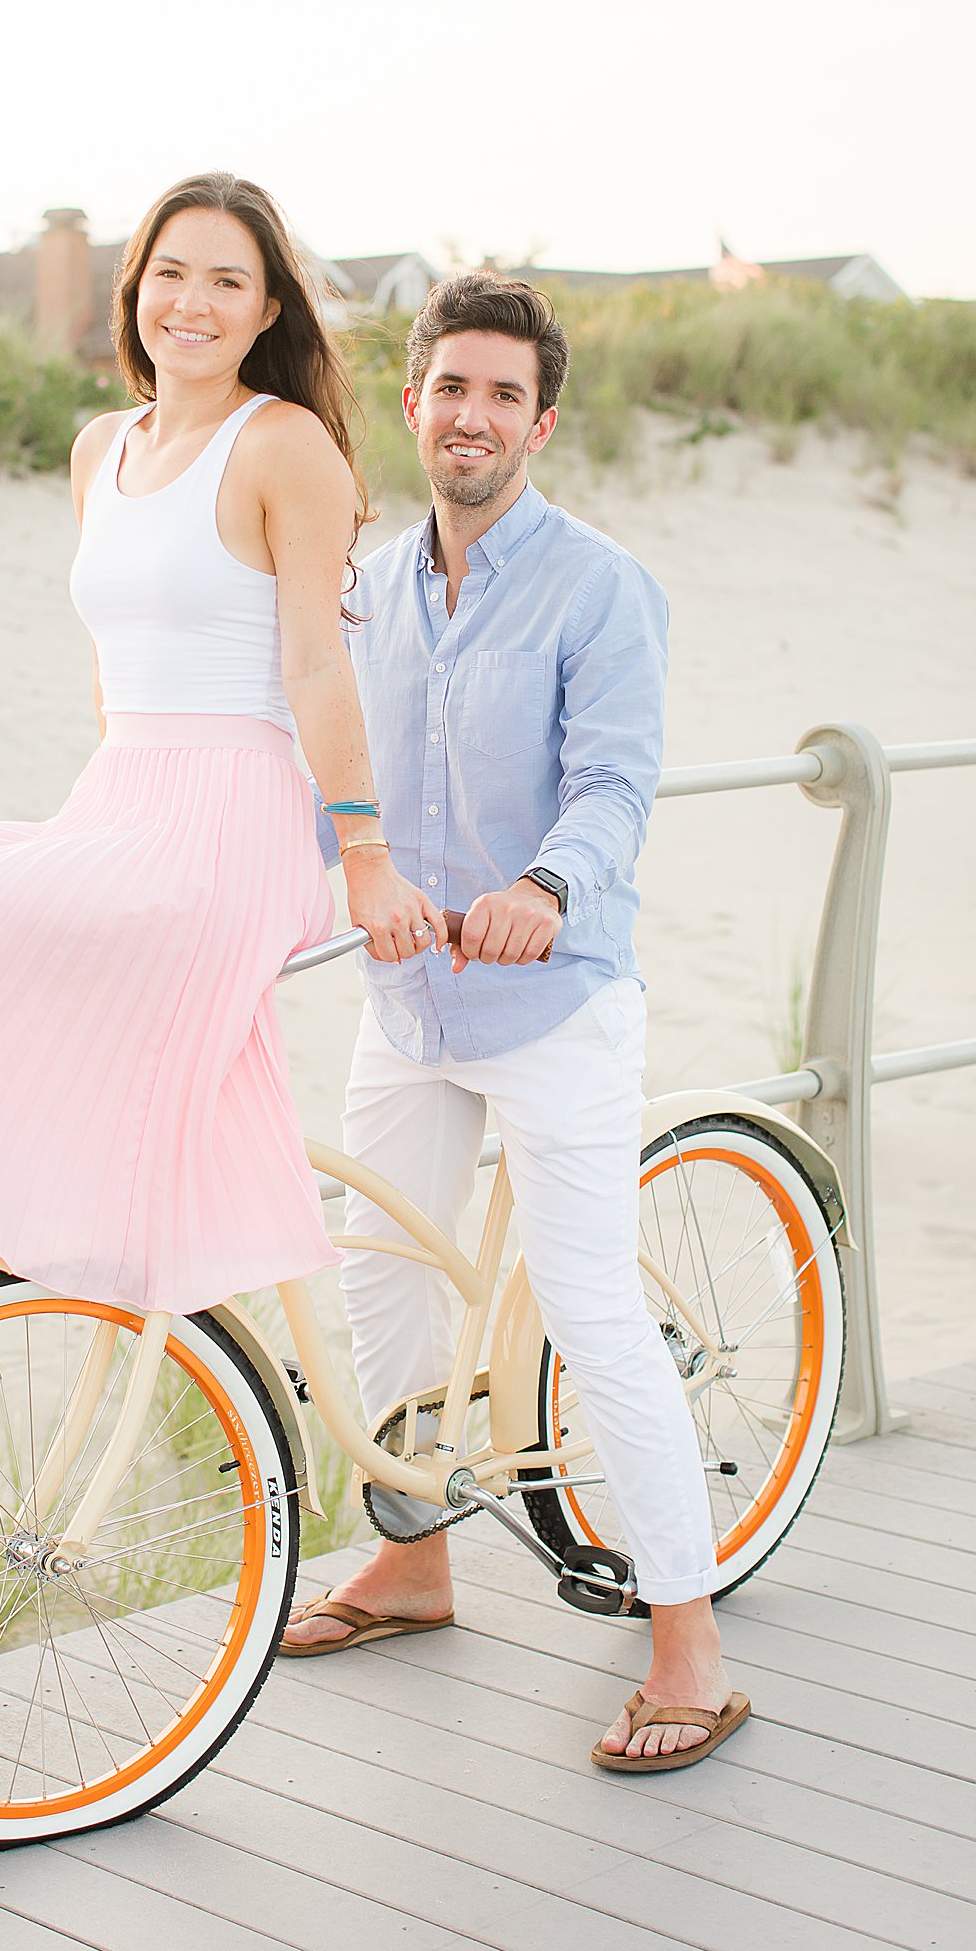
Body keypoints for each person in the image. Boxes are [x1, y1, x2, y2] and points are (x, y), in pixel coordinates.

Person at [0, 172, 445, 1381]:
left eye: (228, 281)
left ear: (267, 309)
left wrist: (364, 859)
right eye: (171, 272)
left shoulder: (283, 447)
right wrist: (93, 816)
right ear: (135, 290)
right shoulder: (98, 447)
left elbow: (320, 674)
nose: (193, 302)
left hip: (232, 820)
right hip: (122, 792)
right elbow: (115, 671)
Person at [280, 273, 750, 1774]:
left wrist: (547, 884)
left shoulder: (599, 585)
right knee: (383, 1296)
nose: (471, 415)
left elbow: (616, 782)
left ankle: (691, 1641)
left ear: (539, 422)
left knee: (593, 1310)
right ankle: (415, 1561)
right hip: (409, 998)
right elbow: (326, 768)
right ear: (412, 402)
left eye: (503, 394)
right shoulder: (362, 582)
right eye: (449, 387)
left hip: (550, 999)